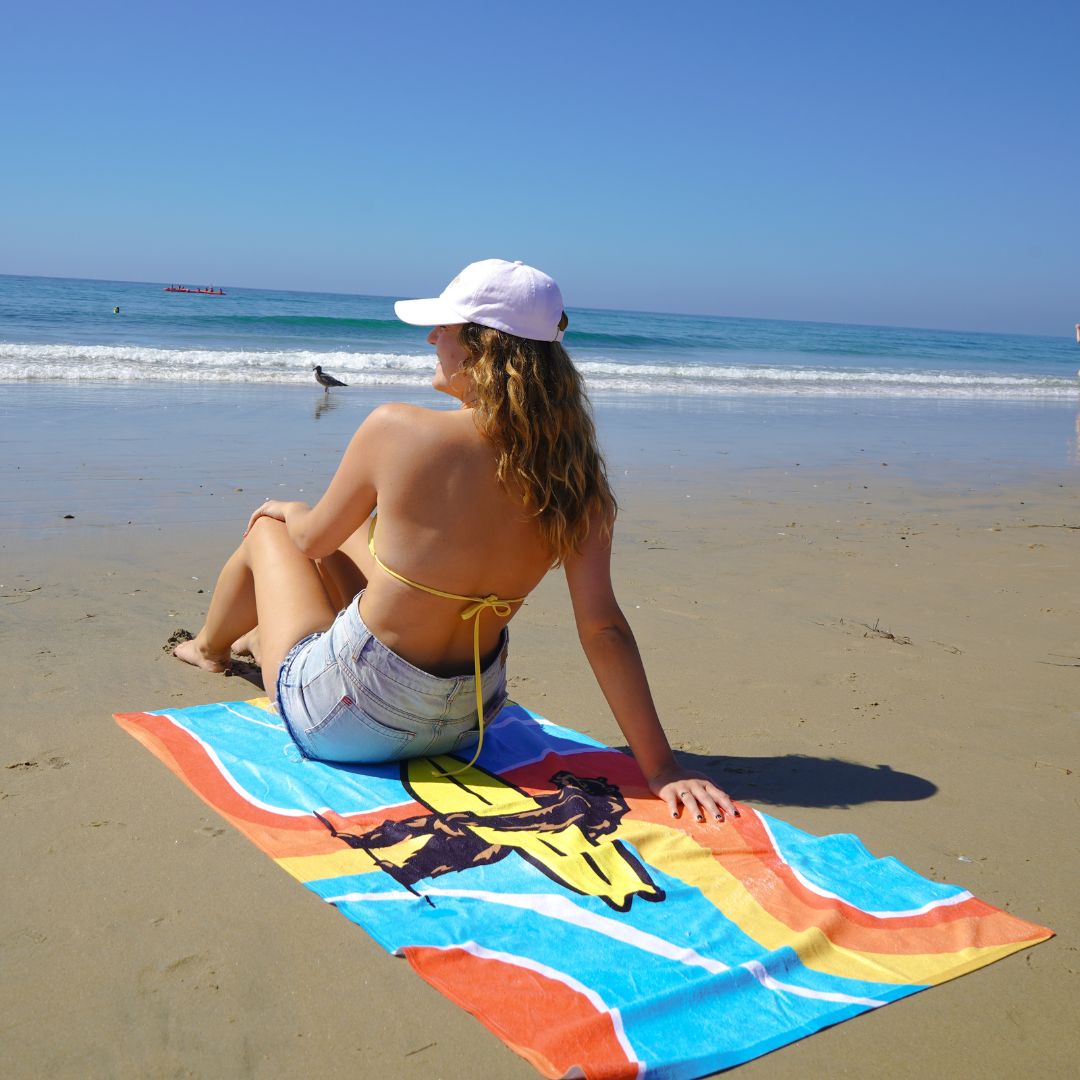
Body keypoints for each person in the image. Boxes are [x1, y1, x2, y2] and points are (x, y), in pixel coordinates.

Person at [174, 259, 735, 824]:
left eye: (445, 326)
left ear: (481, 346)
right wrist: (661, 767)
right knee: (365, 548)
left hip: (342, 722)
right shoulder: (575, 480)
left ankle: (209, 649)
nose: (431, 337)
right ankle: (253, 638)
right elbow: (603, 628)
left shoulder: (398, 429)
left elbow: (313, 540)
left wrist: (289, 508)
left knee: (274, 531)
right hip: (466, 727)